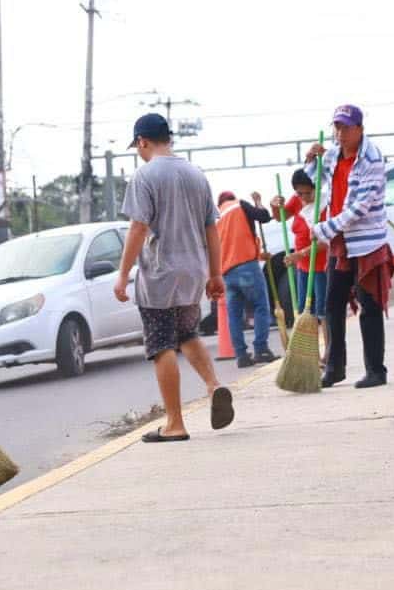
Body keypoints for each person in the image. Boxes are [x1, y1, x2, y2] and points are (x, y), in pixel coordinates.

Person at [115, 112, 235, 442]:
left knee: (161, 343)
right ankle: (214, 386)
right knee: (187, 332)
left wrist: (123, 275)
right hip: (194, 271)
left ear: (142, 141)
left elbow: (138, 227)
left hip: (160, 271)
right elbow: (212, 229)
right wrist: (216, 274)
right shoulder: (196, 174)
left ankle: (175, 423)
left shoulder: (144, 176)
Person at [305, 104, 393, 389]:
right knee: (332, 304)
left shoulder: (372, 159)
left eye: (345, 128)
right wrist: (310, 160)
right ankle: (334, 367)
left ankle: (376, 371)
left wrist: (324, 229)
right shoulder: (332, 154)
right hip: (341, 242)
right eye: (337, 127)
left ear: (360, 129)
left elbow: (359, 208)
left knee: (369, 306)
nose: (340, 133)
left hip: (366, 241)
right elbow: (318, 184)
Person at [216, 189, 275, 367]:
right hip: (247, 267)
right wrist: (258, 202)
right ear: (232, 198)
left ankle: (241, 355)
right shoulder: (239, 205)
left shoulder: (217, 218)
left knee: (234, 315)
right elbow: (264, 216)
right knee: (260, 306)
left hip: (227, 273)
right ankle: (261, 349)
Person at [275, 169, 329, 360]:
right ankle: (310, 354)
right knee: (306, 313)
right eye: (300, 193)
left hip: (321, 267)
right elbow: (280, 216)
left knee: (323, 312)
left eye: (308, 193)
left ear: (316, 188)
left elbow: (326, 241)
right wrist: (276, 205)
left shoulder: (324, 205)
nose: (304, 198)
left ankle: (329, 354)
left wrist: (300, 254)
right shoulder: (296, 200)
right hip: (303, 268)